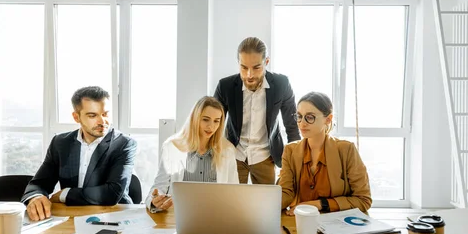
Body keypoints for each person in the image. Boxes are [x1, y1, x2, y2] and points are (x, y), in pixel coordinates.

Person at [22, 86, 137, 221]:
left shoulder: (124, 144)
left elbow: (111, 193)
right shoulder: (60, 143)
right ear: (76, 117)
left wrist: (65, 194)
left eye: (105, 114)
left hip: (114, 217)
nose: (102, 121)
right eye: (92, 115)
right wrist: (36, 196)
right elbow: (39, 183)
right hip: (71, 217)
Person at [214, 37, 300, 185]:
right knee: (232, 203)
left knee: (266, 204)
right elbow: (212, 122)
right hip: (234, 153)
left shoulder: (282, 84)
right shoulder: (225, 86)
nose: (249, 75)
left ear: (266, 62)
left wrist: (296, 164)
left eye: (256, 67)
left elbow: (292, 126)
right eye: (244, 67)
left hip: (266, 155)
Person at [279, 92, 372, 215]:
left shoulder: (346, 149)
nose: (302, 123)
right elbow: (286, 192)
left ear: (328, 119)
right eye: (299, 116)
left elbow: (363, 200)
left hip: (338, 223)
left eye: (310, 117)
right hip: (301, 221)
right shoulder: (290, 151)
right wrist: (264, 205)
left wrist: (319, 204)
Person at [145, 96, 238, 213]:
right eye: (205, 119)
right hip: (180, 217)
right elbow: (159, 186)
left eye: (216, 121)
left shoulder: (227, 151)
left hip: (216, 217)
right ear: (195, 119)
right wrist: (154, 201)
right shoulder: (172, 147)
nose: (211, 126)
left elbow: (235, 194)